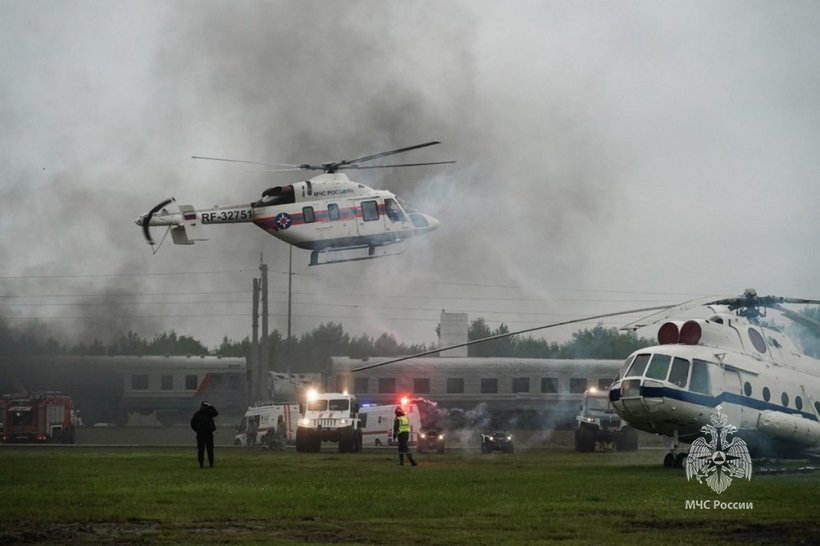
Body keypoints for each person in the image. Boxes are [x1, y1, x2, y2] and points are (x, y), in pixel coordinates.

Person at [190, 401, 219, 468]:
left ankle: (204, 465)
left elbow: (216, 413)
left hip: (205, 434)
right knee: (206, 450)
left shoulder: (206, 413)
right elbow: (193, 423)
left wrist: (197, 430)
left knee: (205, 450)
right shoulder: (203, 413)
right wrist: (210, 406)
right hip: (204, 434)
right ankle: (207, 465)